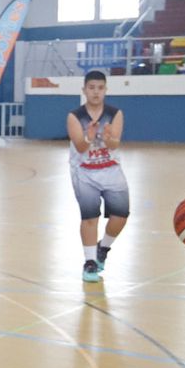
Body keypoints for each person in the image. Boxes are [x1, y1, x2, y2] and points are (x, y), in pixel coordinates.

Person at [67, 70, 128, 282]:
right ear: (84, 90)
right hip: (84, 171)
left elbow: (115, 144)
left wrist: (108, 138)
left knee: (121, 216)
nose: (96, 92)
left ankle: (104, 248)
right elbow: (80, 146)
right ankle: (90, 262)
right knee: (90, 217)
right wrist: (89, 137)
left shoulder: (115, 113)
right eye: (91, 88)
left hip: (111, 170)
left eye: (100, 88)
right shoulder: (75, 116)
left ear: (105, 90)